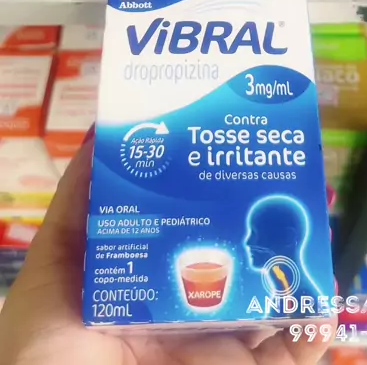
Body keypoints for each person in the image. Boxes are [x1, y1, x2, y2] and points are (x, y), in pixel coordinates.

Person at [0, 134, 336, 365]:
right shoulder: (290, 302)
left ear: (288, 238)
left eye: (256, 233)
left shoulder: (293, 303)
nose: (247, 242)